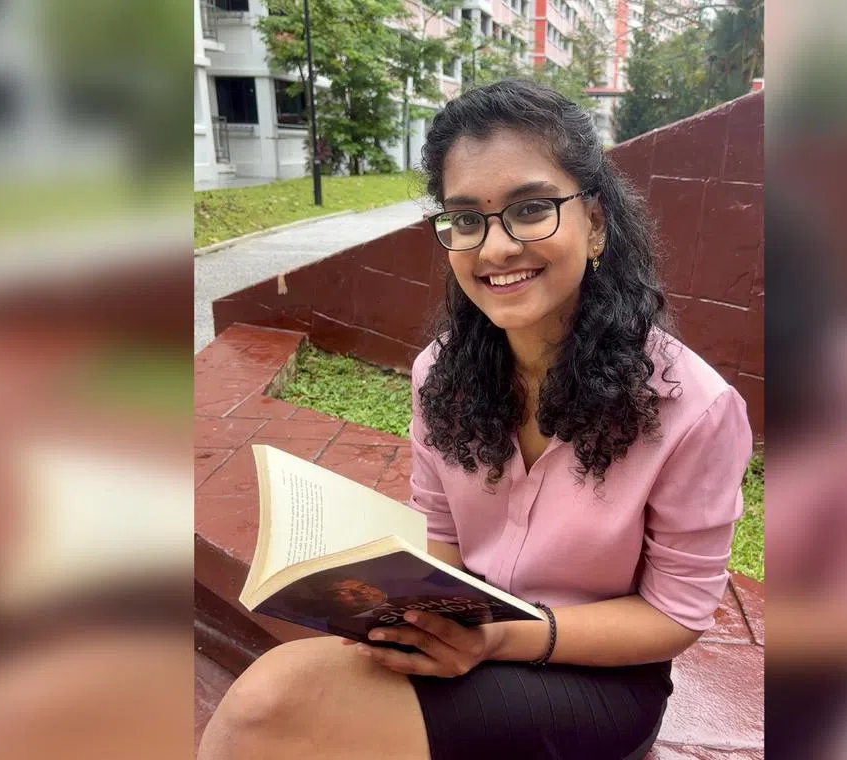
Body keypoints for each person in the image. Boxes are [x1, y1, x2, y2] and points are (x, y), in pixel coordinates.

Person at [198, 79, 753, 760]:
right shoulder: (442, 372)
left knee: (274, 704)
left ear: (597, 224)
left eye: (530, 209)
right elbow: (441, 538)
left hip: (598, 679)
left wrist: (497, 639)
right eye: (466, 219)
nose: (494, 250)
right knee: (276, 702)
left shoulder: (692, 408)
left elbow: (675, 615)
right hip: (469, 634)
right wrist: (399, 612)